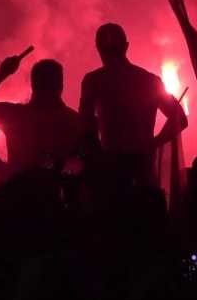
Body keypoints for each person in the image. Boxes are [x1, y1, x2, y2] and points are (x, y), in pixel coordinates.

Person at [78, 23, 188, 184]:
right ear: (126, 46)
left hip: (112, 167)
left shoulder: (94, 81)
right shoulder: (149, 81)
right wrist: (153, 143)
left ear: (98, 48)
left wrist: (98, 156)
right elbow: (180, 118)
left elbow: (85, 124)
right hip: (139, 166)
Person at [0, 57, 81, 176]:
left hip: (21, 187)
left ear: (32, 86)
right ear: (61, 86)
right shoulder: (77, 121)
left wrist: (3, 73)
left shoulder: (15, 116)